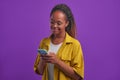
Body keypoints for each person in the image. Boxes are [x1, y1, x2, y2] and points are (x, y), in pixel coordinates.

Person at [34, 4, 84, 80]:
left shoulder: (75, 45)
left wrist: (57, 61)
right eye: (52, 22)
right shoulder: (44, 42)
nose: (54, 26)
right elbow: (40, 71)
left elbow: (77, 76)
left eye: (59, 23)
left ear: (66, 23)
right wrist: (42, 60)